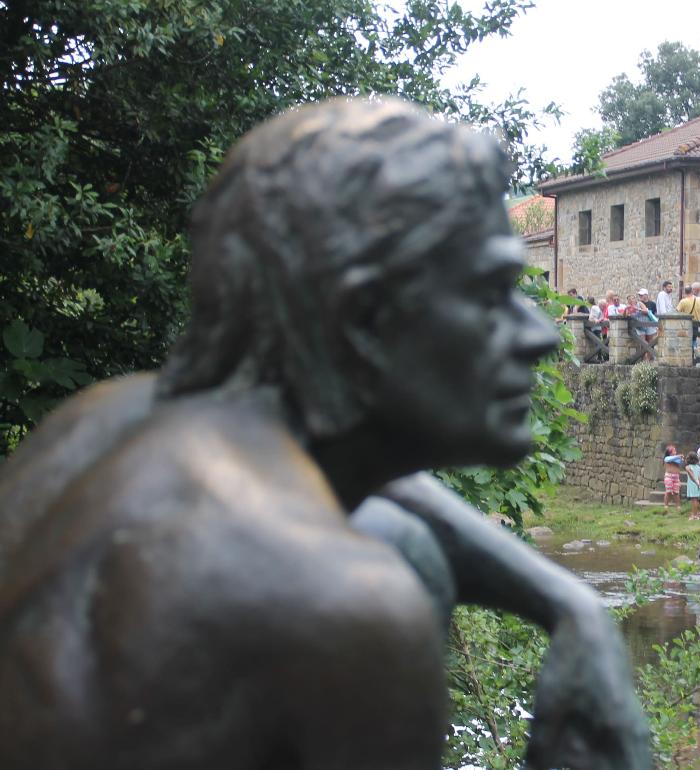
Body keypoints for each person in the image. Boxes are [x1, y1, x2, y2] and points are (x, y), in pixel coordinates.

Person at [0, 98, 651, 770]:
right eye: (490, 293)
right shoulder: (347, 608)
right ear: (364, 319)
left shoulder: (102, 421)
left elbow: (371, 473)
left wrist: (570, 603)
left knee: (397, 530)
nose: (539, 335)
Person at [684, 451, 700, 520]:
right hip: (698, 484)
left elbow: (692, 477)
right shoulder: (698, 467)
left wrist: (697, 483)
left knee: (694, 500)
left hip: (693, 484)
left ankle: (694, 515)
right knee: (696, 499)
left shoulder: (687, 467)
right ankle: (695, 513)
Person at [662, 443, 683, 509]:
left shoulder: (676, 459)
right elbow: (668, 459)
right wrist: (678, 456)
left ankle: (678, 506)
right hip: (669, 476)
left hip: (676, 477)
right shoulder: (667, 458)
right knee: (668, 491)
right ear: (669, 452)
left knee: (676, 492)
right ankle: (666, 505)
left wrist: (679, 458)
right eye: (673, 451)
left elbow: (680, 462)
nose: (675, 451)